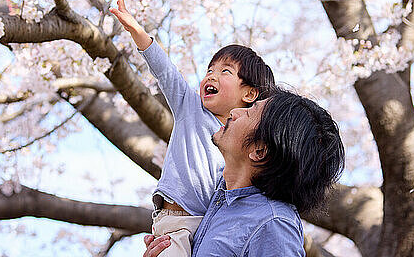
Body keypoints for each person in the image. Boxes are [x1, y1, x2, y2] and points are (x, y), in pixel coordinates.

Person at [109, 0, 275, 257]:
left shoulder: (245, 141)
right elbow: (165, 71)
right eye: (209, 70)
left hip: (210, 226)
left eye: (225, 72)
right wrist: (137, 31)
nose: (211, 76)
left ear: (249, 93)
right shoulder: (191, 107)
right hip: (174, 222)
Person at [143, 87, 345, 256]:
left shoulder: (274, 225)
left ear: (259, 151)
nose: (234, 112)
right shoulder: (215, 196)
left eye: (249, 112)